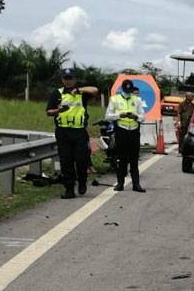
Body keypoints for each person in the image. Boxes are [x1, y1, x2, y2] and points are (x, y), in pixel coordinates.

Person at [46, 67, 98, 198]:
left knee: (82, 160)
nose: (68, 81)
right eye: (65, 78)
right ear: (62, 79)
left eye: (70, 78)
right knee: (66, 162)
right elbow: (48, 112)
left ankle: (82, 182)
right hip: (63, 131)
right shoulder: (56, 93)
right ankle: (69, 189)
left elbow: (95, 90)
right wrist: (58, 111)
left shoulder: (82, 93)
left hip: (79, 132)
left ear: (75, 79)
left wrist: (79, 90)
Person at [105, 79, 146, 193]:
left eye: (130, 90)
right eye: (126, 89)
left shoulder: (137, 100)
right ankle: (120, 183)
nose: (128, 92)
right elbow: (108, 116)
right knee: (121, 158)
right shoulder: (114, 99)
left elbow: (143, 117)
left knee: (134, 158)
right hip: (121, 130)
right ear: (122, 89)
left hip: (133, 130)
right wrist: (120, 115)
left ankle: (136, 184)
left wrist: (135, 117)